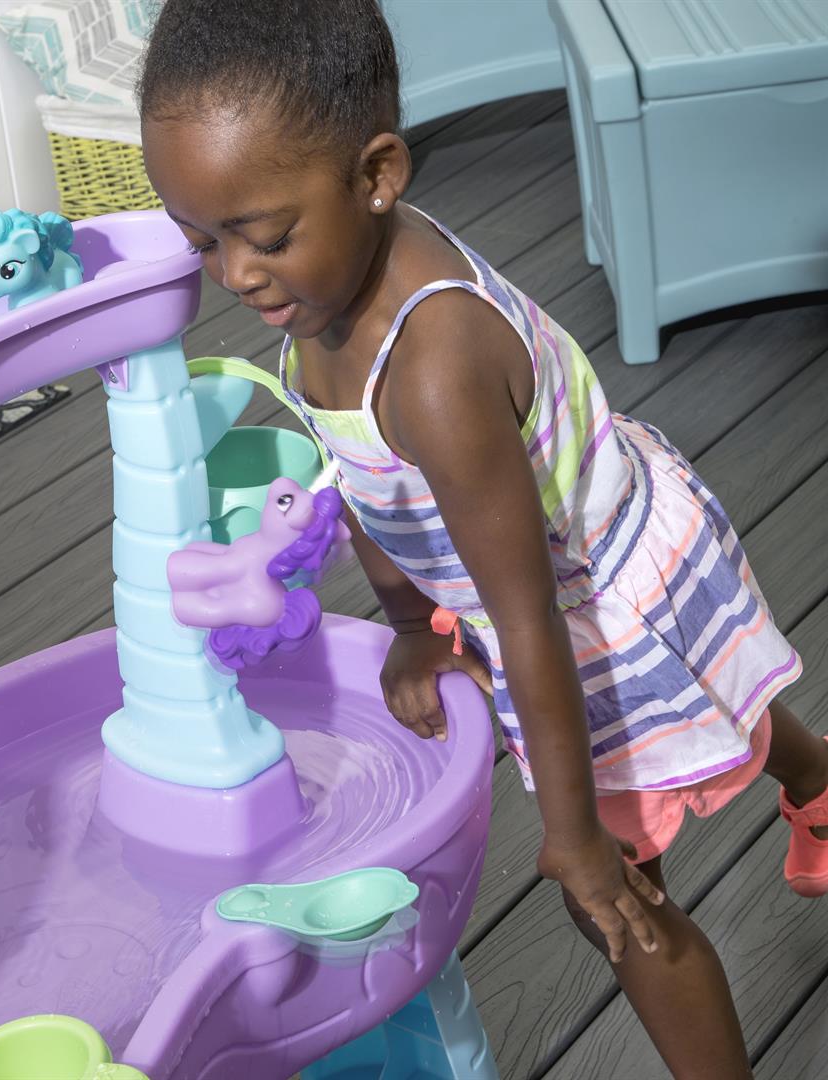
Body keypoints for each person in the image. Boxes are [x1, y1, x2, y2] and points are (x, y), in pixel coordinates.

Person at [136, 2, 828, 1075]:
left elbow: (527, 616)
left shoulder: (434, 368)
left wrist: (575, 838)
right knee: (722, 709)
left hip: (589, 595)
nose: (235, 275)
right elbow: (365, 479)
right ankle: (822, 784)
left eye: (265, 237)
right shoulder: (326, 285)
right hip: (542, 575)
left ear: (377, 176)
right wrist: (413, 618)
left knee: (618, 904)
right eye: (201, 240)